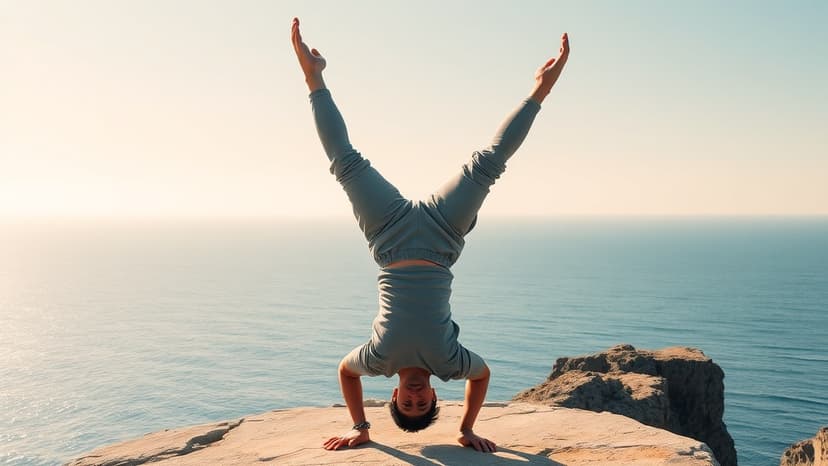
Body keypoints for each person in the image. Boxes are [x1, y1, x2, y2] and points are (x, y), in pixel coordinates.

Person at [290, 17, 569, 453]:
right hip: (441, 239)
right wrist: (466, 429)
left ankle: (314, 77)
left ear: (395, 398)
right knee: (489, 164)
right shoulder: (451, 365)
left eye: (409, 402)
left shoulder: (376, 363)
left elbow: (345, 372)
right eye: (424, 403)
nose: (417, 396)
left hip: (389, 237)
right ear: (436, 395)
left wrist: (361, 427)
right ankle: (541, 89)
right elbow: (483, 375)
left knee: (344, 162)